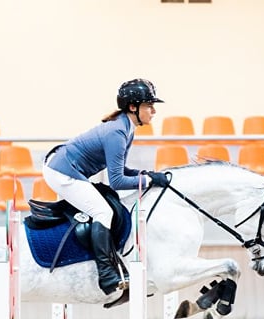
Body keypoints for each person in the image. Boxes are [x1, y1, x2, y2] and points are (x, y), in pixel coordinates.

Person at [42, 78, 170, 295]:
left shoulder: (126, 127)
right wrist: (149, 181)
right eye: (149, 105)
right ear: (133, 107)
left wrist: (145, 174)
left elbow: (121, 170)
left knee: (104, 208)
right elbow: (117, 182)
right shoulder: (117, 132)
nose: (154, 111)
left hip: (68, 168)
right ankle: (106, 273)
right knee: (103, 211)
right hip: (62, 172)